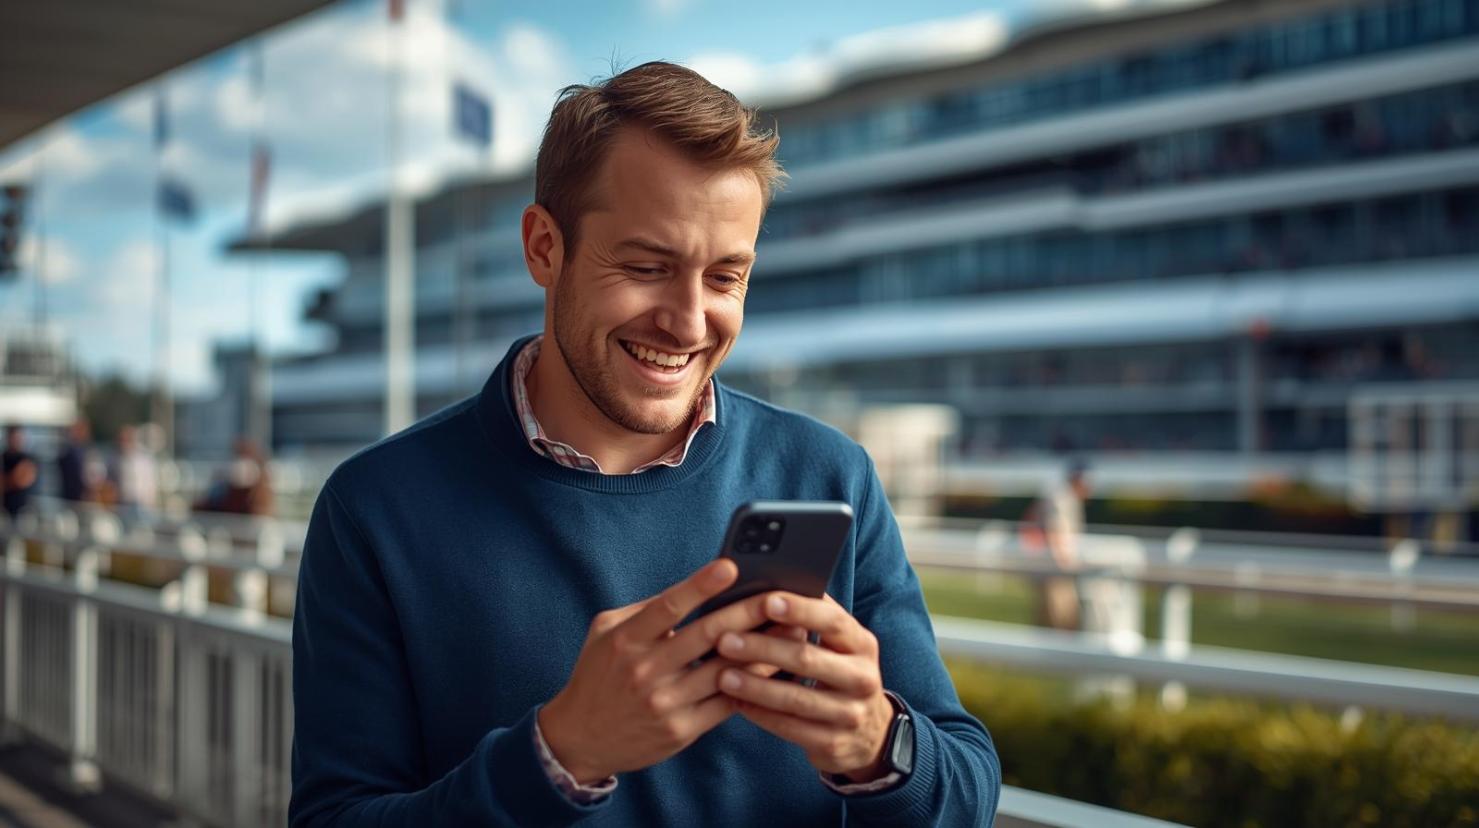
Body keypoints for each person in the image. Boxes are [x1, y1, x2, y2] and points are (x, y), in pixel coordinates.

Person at [291, 62, 1000, 826]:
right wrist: (555, 758)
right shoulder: (375, 508)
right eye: (645, 267)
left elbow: (966, 791)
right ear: (543, 248)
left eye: (725, 278)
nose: (689, 324)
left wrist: (874, 742)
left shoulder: (829, 474)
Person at [1022, 460, 1091, 631]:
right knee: (1061, 620)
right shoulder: (1062, 498)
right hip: (1055, 569)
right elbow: (1055, 532)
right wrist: (1066, 564)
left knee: (1050, 619)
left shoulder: (1062, 496)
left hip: (1051, 567)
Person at [112, 424, 159, 520]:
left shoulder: (143, 459)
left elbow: (150, 483)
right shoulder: (116, 459)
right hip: (123, 502)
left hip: (141, 503)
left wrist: (149, 502)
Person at [56, 419, 102, 503]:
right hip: (71, 498)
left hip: (88, 498)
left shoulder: (91, 451)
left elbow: (96, 475)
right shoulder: (67, 452)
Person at [2, 424, 38, 520]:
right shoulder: (3, 457)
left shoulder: (27, 459)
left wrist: (9, 480)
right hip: (4, 508)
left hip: (23, 508)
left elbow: (23, 480)